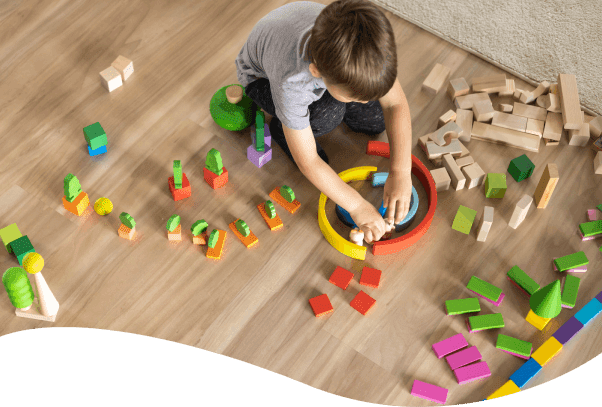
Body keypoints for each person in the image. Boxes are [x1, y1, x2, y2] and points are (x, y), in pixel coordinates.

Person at [235, 0, 413, 243]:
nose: (363, 102)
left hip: (310, 50)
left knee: (375, 121)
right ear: (318, 72)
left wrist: (401, 171)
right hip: (261, 80)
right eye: (355, 97)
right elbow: (308, 161)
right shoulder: (293, 83)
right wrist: (357, 206)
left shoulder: (372, 53)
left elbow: (395, 104)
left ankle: (331, 103)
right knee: (329, 114)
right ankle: (282, 126)